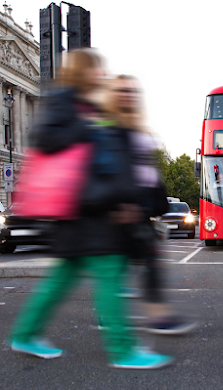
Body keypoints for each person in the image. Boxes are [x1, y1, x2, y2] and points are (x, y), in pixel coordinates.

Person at [8, 49, 172, 369]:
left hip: (80, 208)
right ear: (85, 71)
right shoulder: (67, 101)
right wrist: (87, 127)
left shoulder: (85, 104)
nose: (102, 74)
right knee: (109, 274)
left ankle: (26, 334)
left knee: (63, 278)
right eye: (98, 69)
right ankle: (124, 351)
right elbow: (45, 139)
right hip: (85, 208)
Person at [104, 74, 197, 334]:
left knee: (135, 261)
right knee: (134, 262)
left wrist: (157, 202)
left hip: (139, 209)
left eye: (132, 91)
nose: (127, 95)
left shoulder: (138, 131)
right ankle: (156, 316)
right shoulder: (108, 129)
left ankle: (114, 313)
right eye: (122, 90)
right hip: (119, 210)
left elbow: (148, 171)